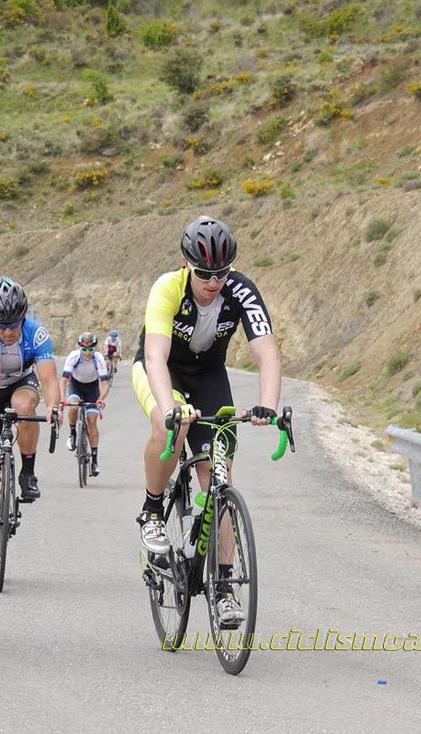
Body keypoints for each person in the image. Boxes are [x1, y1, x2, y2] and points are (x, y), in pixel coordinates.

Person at [131, 215, 281, 627]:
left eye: (222, 272)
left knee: (220, 478)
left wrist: (268, 404)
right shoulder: (168, 288)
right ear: (186, 264)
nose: (213, 281)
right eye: (204, 273)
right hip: (163, 372)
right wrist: (169, 406)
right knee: (170, 427)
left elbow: (266, 352)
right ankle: (153, 510)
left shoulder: (241, 291)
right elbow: (155, 357)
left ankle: (225, 586)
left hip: (210, 376)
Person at [0, 277, 60, 563]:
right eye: (0, 325)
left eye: (13, 325)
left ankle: (27, 473)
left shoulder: (35, 334)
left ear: (23, 317)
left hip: (21, 383)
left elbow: (49, 378)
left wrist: (54, 406)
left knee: (25, 405)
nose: (6, 332)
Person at [60, 332, 110, 477]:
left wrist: (101, 398)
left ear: (94, 348)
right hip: (76, 385)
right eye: (84, 349)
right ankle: (73, 433)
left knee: (92, 421)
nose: (87, 353)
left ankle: (94, 460)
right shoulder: (74, 356)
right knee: (74, 407)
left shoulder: (98, 358)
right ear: (80, 347)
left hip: (92, 388)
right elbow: (63, 380)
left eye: (90, 350)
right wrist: (62, 397)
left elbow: (105, 383)